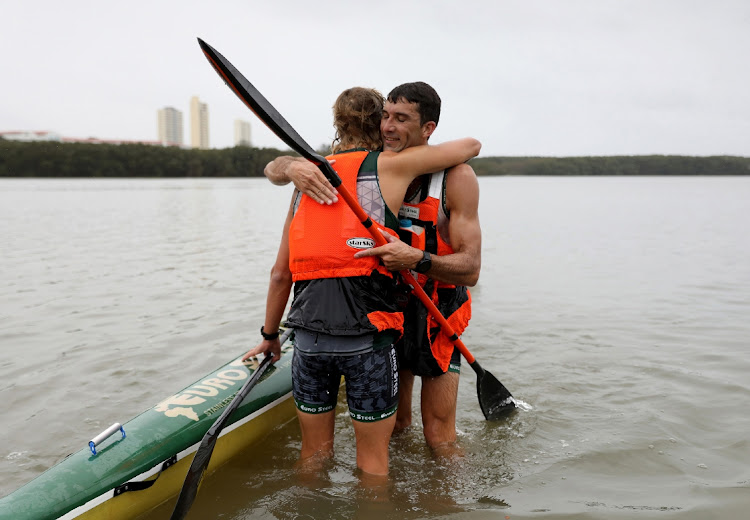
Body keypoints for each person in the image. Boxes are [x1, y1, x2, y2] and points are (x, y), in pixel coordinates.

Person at [243, 86, 481, 478]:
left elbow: (471, 269)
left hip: (434, 311)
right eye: (385, 116)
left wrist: (416, 258)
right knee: (397, 430)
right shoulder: (336, 173)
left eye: (401, 119)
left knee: (439, 438)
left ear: (428, 128)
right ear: (375, 121)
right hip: (383, 315)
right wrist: (289, 166)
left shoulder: (452, 177)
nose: (389, 126)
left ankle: (445, 502)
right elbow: (277, 174)